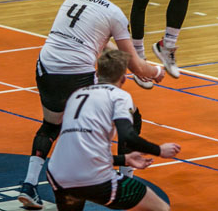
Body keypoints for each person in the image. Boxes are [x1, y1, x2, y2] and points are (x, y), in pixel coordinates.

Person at [18, 0, 165, 209]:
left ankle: (29, 185)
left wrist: (132, 62)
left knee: (51, 125)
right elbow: (136, 66)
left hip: (46, 66)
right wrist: (157, 71)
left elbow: (99, 42)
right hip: (77, 74)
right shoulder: (114, 13)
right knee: (129, 116)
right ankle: (125, 176)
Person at [46, 48, 180, 211]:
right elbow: (128, 137)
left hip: (57, 173)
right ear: (123, 78)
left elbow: (83, 151)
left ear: (98, 73)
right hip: (92, 177)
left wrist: (124, 159)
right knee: (161, 208)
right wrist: (159, 150)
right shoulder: (119, 96)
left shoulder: (76, 95)